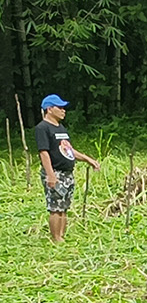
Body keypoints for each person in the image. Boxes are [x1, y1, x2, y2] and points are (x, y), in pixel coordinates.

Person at [34, 94, 101, 243]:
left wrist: (88, 159)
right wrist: (50, 175)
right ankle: (56, 238)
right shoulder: (43, 128)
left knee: (64, 206)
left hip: (67, 173)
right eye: (60, 107)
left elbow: (69, 149)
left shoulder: (60, 128)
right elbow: (44, 153)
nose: (64, 111)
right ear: (49, 109)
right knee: (55, 207)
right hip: (55, 172)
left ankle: (62, 236)